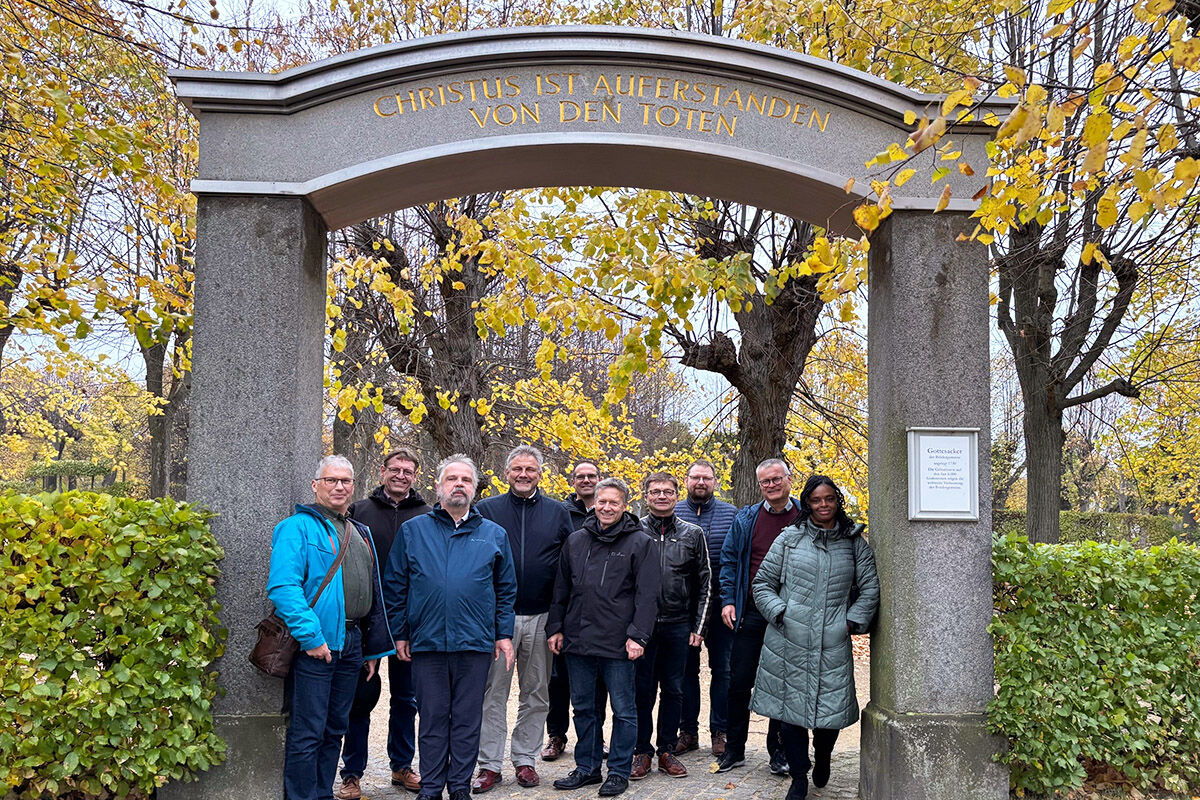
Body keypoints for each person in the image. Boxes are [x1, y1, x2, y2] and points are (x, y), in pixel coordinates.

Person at [383, 455, 517, 800]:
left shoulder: (493, 535)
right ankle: (431, 788)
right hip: (426, 643)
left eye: (466, 480)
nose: (459, 485)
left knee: (467, 721)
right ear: (439, 486)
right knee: (431, 719)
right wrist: (400, 633)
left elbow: (506, 589)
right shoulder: (414, 530)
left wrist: (502, 634)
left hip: (474, 644)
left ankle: (459, 787)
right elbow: (396, 585)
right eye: (452, 479)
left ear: (475, 488)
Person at [267, 455, 394, 800]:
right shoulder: (296, 527)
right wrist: (311, 636)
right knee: (308, 732)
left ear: (354, 487)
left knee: (335, 728)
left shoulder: (359, 531)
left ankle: (322, 794)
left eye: (346, 481)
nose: (339, 487)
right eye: (331, 480)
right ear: (315, 485)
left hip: (353, 643)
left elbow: (373, 591)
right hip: (317, 646)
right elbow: (283, 587)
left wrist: (371, 649)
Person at [751, 475, 879, 800]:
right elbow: (762, 582)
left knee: (829, 713)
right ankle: (798, 776)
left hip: (833, 639)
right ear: (806, 503)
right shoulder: (790, 539)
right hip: (788, 639)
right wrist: (780, 612)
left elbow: (870, 588)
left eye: (829, 499)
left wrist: (852, 621)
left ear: (837, 501)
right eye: (816, 500)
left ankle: (823, 757)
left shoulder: (853, 543)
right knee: (790, 713)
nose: (823, 505)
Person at [547, 478, 660, 798]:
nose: (607, 508)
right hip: (579, 641)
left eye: (614, 502)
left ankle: (619, 771)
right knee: (583, 708)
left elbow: (648, 595)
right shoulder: (575, 541)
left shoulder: (640, 542)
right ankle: (587, 768)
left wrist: (638, 636)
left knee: (624, 710)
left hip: (619, 643)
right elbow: (561, 590)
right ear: (594, 503)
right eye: (602, 502)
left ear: (625, 505)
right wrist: (555, 628)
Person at [473, 446, 574, 792]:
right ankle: (488, 765)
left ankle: (525, 760)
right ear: (506, 473)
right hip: (498, 618)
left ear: (540, 474)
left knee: (537, 693)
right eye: (517, 468)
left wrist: (558, 621)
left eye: (530, 469)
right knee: (492, 693)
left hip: (542, 616)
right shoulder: (485, 511)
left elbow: (566, 570)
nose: (523, 474)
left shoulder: (558, 512)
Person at [337, 448, 431, 800]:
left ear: (415, 476)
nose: (401, 476)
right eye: (395, 469)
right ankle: (351, 773)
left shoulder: (425, 514)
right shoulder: (359, 511)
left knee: (406, 698)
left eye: (408, 471)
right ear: (382, 471)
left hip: (410, 620)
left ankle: (401, 764)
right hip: (366, 620)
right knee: (361, 698)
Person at [714, 458, 798, 774]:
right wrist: (728, 601)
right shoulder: (747, 518)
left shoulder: (805, 516)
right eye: (766, 482)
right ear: (760, 485)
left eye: (777, 479)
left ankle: (779, 753)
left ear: (789, 479)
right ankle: (734, 750)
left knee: (784, 685)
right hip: (750, 612)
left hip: (791, 616)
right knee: (738, 683)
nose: (772, 485)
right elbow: (730, 561)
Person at [630, 472, 710, 780]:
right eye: (655, 492)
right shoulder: (634, 531)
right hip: (643, 627)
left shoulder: (693, 534)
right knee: (642, 690)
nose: (662, 496)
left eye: (667, 491)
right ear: (646, 496)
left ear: (676, 496)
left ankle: (666, 749)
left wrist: (699, 626)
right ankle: (641, 751)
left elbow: (705, 582)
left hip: (679, 625)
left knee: (674, 690)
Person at [674, 459, 738, 757]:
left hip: (722, 605)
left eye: (707, 478)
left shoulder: (731, 514)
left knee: (723, 670)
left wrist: (732, 600)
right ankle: (687, 731)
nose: (701, 482)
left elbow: (737, 560)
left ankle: (720, 731)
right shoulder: (673, 511)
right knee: (685, 671)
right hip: (684, 608)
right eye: (695, 477)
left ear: (715, 481)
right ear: (686, 480)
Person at [544, 461, 603, 762]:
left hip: (599, 612)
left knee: (596, 679)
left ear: (599, 479)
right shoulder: (561, 513)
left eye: (591, 476)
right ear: (573, 481)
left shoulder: (609, 510)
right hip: (565, 603)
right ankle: (556, 735)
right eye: (580, 476)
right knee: (558, 678)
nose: (586, 480)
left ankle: (595, 737)